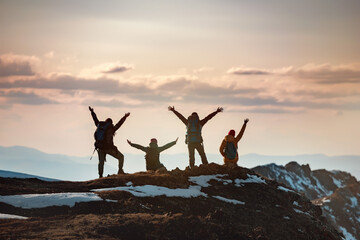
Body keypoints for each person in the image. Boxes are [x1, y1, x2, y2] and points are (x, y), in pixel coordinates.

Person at [89, 106, 130, 178]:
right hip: (108, 148)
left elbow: (95, 119)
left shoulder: (99, 125)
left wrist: (92, 112)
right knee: (121, 157)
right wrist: (125, 117)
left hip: (100, 147)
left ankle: (100, 175)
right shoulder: (111, 128)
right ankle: (120, 170)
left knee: (101, 162)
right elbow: (119, 124)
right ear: (111, 123)